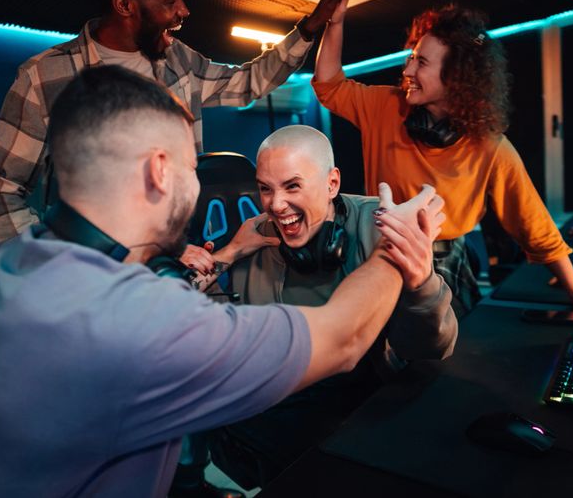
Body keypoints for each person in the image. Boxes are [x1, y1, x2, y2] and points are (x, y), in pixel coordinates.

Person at [0, 66, 446, 498]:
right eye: (193, 167)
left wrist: (225, 254)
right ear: (159, 171)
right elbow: (342, 339)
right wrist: (400, 242)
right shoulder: (137, 325)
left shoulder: (19, 261)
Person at [311, 0, 573, 318]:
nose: (408, 70)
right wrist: (336, 21)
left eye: (422, 61)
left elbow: (532, 222)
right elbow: (328, 84)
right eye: (411, 57)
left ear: (457, 77)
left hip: (445, 266)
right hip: (380, 255)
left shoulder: (489, 146)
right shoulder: (385, 106)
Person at [0, 0, 356, 244]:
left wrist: (310, 27)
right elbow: (2, 185)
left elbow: (247, 82)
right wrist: (43, 262)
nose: (184, 11)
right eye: (170, 0)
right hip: (91, 274)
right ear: (124, 5)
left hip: (176, 256)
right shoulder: (44, 77)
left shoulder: (179, 60)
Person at [179, 125, 457, 488]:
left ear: (332, 184)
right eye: (265, 188)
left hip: (366, 402)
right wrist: (229, 255)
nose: (276, 205)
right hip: (281, 404)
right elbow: (223, 334)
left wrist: (421, 284)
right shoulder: (257, 236)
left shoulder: (381, 226)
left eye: (292, 186)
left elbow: (433, 346)